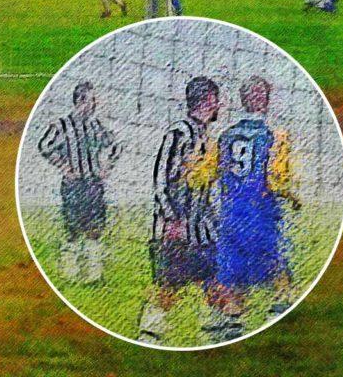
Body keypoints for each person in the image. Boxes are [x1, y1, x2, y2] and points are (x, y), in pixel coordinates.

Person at [208, 76, 297, 341]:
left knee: (234, 273)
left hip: (231, 216)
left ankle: (233, 325)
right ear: (265, 101)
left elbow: (210, 172)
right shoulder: (273, 136)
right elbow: (276, 179)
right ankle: (277, 314)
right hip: (261, 213)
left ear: (243, 101)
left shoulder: (225, 136)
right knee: (277, 266)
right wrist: (292, 197)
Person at [138, 76, 222, 344]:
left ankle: (214, 337)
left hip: (201, 230)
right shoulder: (179, 132)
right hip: (175, 228)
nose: (220, 104)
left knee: (214, 281)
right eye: (216, 99)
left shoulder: (207, 137)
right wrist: (171, 218)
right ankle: (149, 338)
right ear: (208, 99)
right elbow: (160, 179)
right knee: (166, 287)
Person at [37, 82, 121, 283]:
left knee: (95, 230)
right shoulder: (62, 125)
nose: (95, 104)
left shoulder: (96, 125)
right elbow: (44, 145)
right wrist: (64, 166)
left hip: (93, 184)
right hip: (73, 186)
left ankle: (94, 276)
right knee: (73, 230)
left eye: (95, 100)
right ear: (80, 101)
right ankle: (70, 274)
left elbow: (116, 145)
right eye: (91, 100)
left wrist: (107, 167)